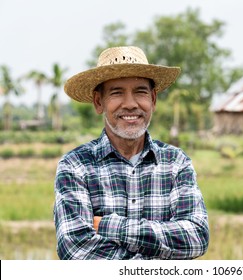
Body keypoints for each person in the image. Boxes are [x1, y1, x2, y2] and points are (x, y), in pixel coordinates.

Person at [53, 46, 209, 260]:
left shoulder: (176, 163)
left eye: (140, 92)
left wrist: (110, 225)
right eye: (117, 92)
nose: (130, 104)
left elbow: (196, 237)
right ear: (99, 102)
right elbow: (76, 250)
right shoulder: (76, 166)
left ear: (153, 99)